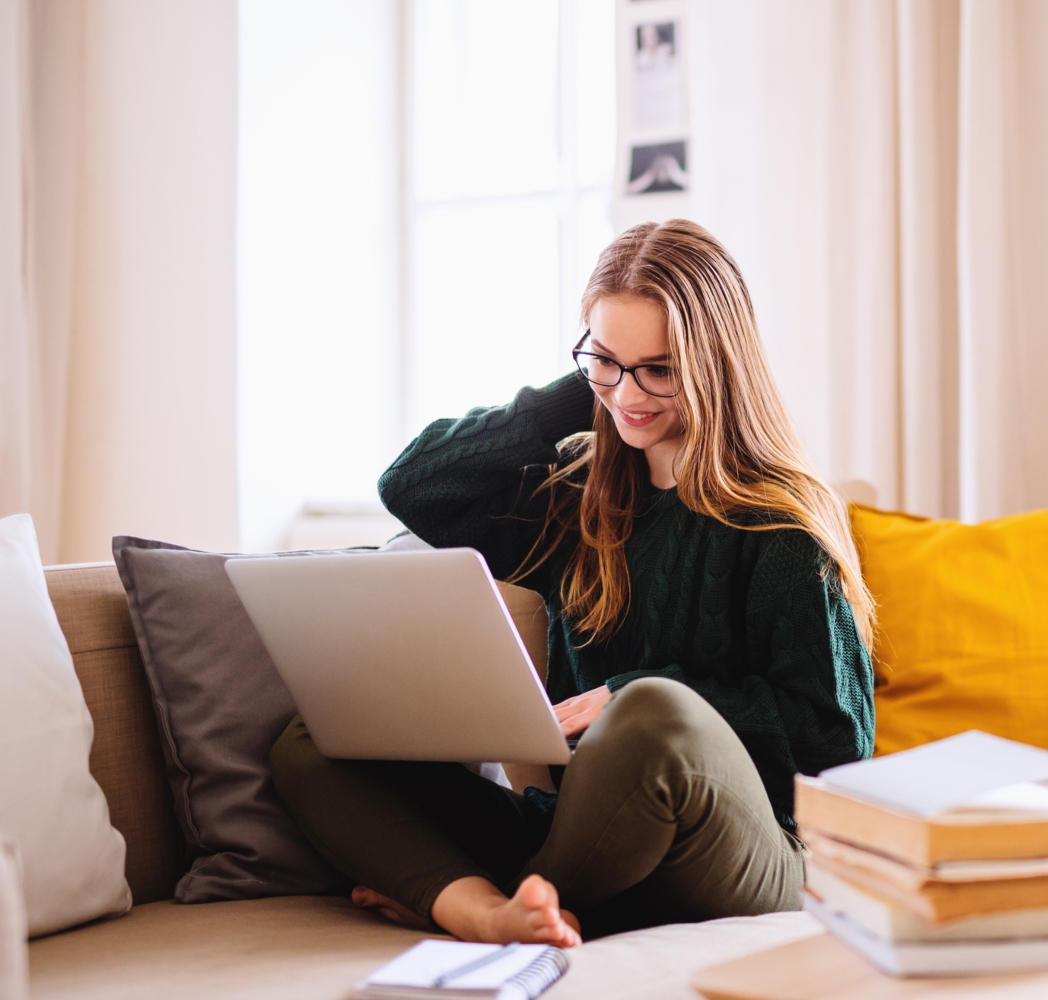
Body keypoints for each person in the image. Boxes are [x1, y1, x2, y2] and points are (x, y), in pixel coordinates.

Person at [269, 219, 876, 947]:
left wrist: (634, 694)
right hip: (585, 835)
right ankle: (493, 911)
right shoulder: (576, 499)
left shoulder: (782, 526)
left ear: (717, 363)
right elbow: (414, 484)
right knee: (316, 741)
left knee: (652, 712)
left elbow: (838, 745)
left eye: (660, 368)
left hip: (749, 850)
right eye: (605, 361)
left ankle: (513, 897)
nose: (630, 395)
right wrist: (584, 389)